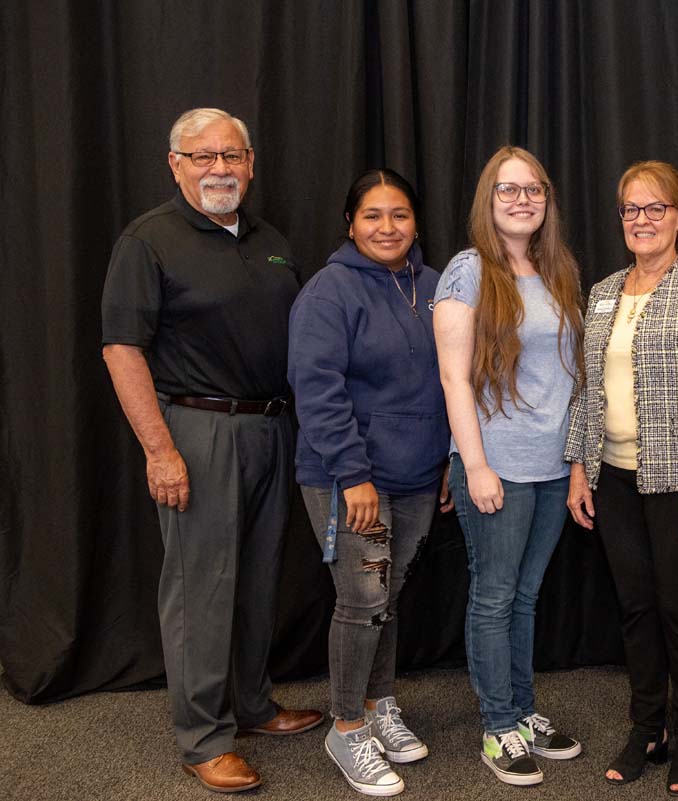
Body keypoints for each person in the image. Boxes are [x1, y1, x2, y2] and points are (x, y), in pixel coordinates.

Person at [100, 107, 322, 793]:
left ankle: (252, 705)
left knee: (258, 579)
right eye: (203, 156)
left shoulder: (270, 239)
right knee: (202, 589)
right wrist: (159, 450)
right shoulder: (148, 241)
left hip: (271, 427)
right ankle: (203, 736)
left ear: (250, 164)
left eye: (232, 155)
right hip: (198, 431)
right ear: (176, 165)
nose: (219, 168)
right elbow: (121, 350)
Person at [566, 161, 678, 797]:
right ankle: (648, 728)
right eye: (631, 209)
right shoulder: (604, 291)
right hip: (612, 478)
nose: (642, 220)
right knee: (636, 609)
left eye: (655, 207)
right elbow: (587, 388)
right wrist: (579, 467)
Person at [289, 169, 452, 795]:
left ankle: (379, 703)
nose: (388, 228)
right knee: (361, 600)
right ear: (350, 224)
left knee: (388, 596)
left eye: (400, 215)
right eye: (373, 216)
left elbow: (453, 380)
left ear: (416, 221)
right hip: (350, 476)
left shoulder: (435, 286)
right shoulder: (329, 292)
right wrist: (352, 474)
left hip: (418, 472)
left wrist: (447, 458)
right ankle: (347, 726)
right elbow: (317, 388)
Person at [432, 146, 584, 787]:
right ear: (487, 200)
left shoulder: (557, 270)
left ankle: (522, 711)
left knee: (525, 596)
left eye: (534, 189)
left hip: (552, 466)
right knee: (494, 598)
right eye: (508, 189)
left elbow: (572, 373)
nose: (523, 200)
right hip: (496, 464)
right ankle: (498, 726)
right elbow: (452, 378)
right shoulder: (468, 271)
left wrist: (575, 460)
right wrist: (475, 465)